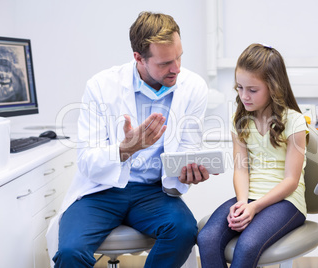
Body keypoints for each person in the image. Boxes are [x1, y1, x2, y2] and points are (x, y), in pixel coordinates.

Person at [46, 11, 210, 268]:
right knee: (70, 251)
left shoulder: (194, 86)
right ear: (138, 58)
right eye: (165, 62)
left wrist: (189, 172)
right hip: (101, 191)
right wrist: (126, 149)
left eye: (179, 57)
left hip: (154, 192)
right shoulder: (101, 86)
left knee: (183, 232)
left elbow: (188, 148)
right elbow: (88, 161)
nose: (176, 68)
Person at [197, 43, 308, 267]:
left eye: (252, 90)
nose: (244, 96)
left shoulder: (294, 120)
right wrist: (242, 204)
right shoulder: (240, 121)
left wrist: (254, 207)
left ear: (273, 88)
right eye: (239, 87)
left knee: (247, 246)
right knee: (206, 238)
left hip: (287, 201)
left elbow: (291, 180)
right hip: (249, 198)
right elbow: (241, 168)